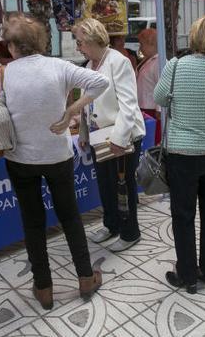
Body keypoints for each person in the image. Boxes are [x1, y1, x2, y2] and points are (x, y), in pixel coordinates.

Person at [0, 13, 108, 310]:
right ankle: (86, 277)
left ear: (11, 47)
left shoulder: (5, 75)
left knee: (33, 223)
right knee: (71, 217)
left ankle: (43, 287)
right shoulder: (59, 66)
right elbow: (100, 83)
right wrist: (70, 110)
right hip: (57, 156)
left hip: (21, 159)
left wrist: (13, 116)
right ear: (41, 42)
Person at [155, 14, 205, 294]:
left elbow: (159, 98)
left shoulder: (176, 66)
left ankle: (188, 276)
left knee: (183, 214)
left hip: (183, 152)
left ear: (196, 36)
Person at [74, 19, 146, 252]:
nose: (78, 47)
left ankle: (130, 232)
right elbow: (86, 104)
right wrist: (84, 131)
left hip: (121, 136)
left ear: (94, 39)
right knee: (105, 185)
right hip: (99, 136)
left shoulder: (119, 62)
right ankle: (111, 224)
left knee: (123, 187)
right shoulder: (88, 67)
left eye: (80, 42)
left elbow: (128, 105)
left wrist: (119, 138)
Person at [135, 28, 160, 141]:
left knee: (152, 140)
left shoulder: (159, 62)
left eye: (142, 44)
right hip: (142, 108)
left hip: (152, 110)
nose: (140, 48)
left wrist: (159, 110)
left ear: (151, 44)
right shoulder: (147, 60)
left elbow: (163, 86)